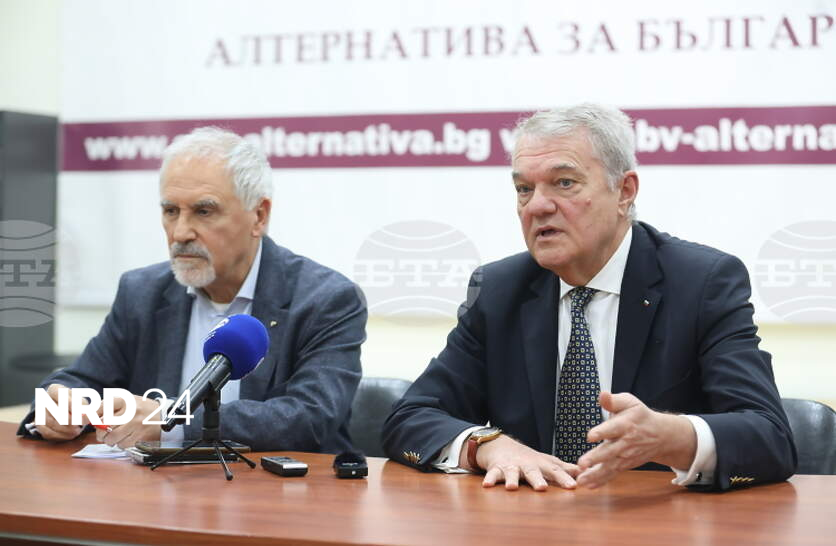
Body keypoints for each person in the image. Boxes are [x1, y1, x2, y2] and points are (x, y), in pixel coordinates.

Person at [381, 104, 796, 492]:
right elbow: (411, 418)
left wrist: (671, 437)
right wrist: (487, 445)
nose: (537, 206)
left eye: (564, 183)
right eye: (524, 189)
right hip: (532, 520)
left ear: (624, 191)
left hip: (657, 521)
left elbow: (771, 438)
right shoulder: (499, 289)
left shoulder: (701, 282)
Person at [17, 127, 367, 452]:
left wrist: (171, 422)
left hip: (280, 491)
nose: (181, 232)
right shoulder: (142, 292)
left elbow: (310, 418)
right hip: (161, 489)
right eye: (171, 211)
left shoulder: (325, 299)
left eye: (204, 211)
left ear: (259, 216)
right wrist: (58, 406)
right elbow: (80, 379)